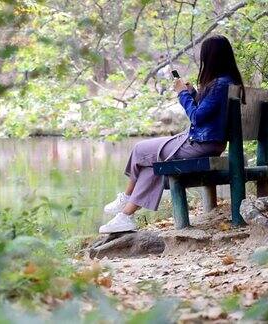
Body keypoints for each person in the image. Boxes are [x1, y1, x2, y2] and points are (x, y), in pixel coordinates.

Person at [99, 35, 245, 234]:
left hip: (201, 143)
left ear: (210, 58)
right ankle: (126, 216)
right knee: (151, 167)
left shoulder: (220, 84)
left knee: (140, 149)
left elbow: (197, 117)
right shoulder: (228, 81)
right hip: (208, 142)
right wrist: (193, 93)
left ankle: (126, 197)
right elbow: (209, 113)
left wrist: (182, 94)